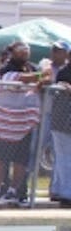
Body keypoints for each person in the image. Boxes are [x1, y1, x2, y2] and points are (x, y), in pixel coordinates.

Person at [0, 40, 42, 204]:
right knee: (0, 158)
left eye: (26, 50)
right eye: (20, 50)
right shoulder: (4, 70)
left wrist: (42, 76)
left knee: (20, 160)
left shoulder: (33, 68)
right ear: (13, 52)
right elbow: (21, 80)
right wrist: (42, 76)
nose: (24, 53)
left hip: (23, 123)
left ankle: (14, 190)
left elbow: (41, 80)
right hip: (3, 123)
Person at [49, 43, 71, 207]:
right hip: (63, 121)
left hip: (61, 121)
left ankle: (57, 190)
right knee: (64, 157)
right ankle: (65, 194)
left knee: (62, 156)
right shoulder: (65, 72)